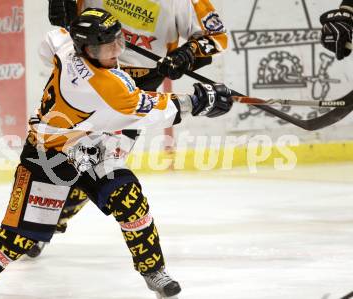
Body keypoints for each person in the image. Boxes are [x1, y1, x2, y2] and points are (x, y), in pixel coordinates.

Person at [0, 8, 233, 299]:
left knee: (129, 199)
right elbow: (153, 110)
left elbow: (52, 40)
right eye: (107, 47)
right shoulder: (104, 87)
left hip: (90, 146)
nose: (116, 52)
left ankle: (153, 271)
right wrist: (199, 101)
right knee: (17, 239)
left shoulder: (68, 48)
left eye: (118, 42)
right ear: (86, 49)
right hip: (48, 157)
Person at [27, 0, 228, 258]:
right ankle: (35, 220)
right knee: (57, 154)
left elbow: (217, 38)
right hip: (85, 75)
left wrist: (187, 53)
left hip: (135, 88)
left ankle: (53, 220)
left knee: (100, 165)